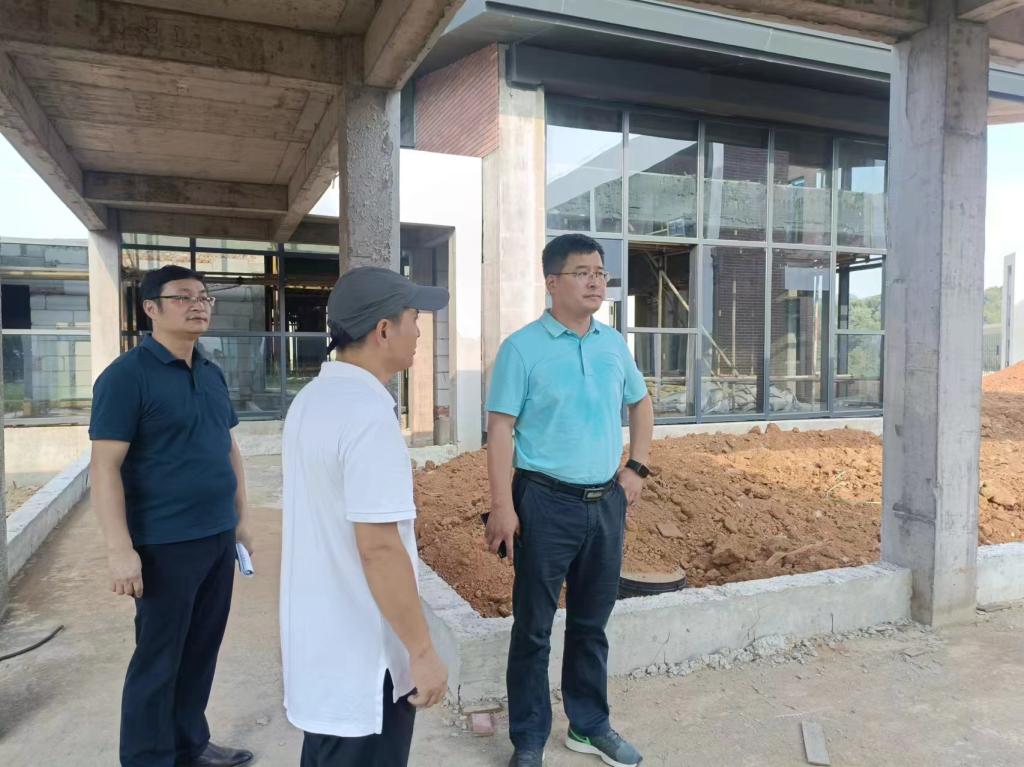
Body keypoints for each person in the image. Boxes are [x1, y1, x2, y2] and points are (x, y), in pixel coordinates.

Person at [485, 233, 655, 767]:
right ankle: (529, 740)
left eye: (601, 273)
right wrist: (502, 506)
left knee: (590, 623)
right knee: (533, 628)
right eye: (583, 272)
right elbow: (500, 429)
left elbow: (641, 403)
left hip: (605, 504)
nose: (596, 282)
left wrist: (636, 467)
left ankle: (589, 725)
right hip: (543, 502)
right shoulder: (521, 348)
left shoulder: (612, 345)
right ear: (552, 282)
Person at [280, 266, 451, 767]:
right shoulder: (368, 416)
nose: (418, 331)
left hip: (320, 648)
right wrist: (422, 651)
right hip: (362, 658)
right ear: (383, 330)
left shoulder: (312, 400)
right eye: (413, 318)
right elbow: (378, 548)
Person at [89, 265, 254, 767]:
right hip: (164, 543)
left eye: (203, 296)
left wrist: (241, 520)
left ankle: (189, 745)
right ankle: (148, 757)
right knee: (158, 660)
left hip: (216, 536)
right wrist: (120, 550)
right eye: (183, 296)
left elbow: (228, 447)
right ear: (151, 308)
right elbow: (104, 467)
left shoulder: (210, 370)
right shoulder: (126, 377)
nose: (198, 304)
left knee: (201, 650)